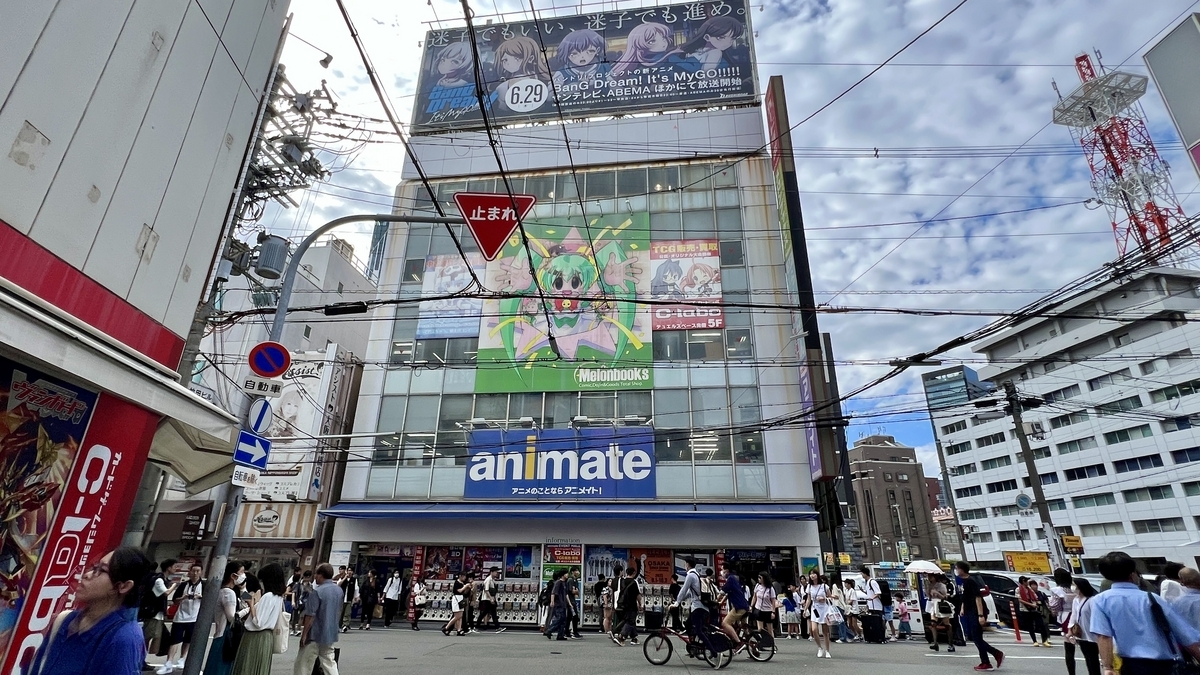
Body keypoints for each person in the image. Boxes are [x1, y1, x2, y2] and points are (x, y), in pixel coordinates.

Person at [27, 547, 156, 675]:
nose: (87, 575)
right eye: (94, 567)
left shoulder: (124, 637)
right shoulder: (64, 620)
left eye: (101, 570)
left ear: (124, 586)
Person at [1090, 551, 1200, 675]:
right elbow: (1183, 633)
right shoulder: (1152, 598)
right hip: (1166, 665)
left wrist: (1107, 667)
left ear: (1106, 576)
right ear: (1133, 574)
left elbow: (1104, 636)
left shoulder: (1100, 600)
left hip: (1132, 665)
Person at [232, 562, 285, 675]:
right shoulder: (278, 597)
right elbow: (256, 603)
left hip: (256, 637)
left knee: (247, 668)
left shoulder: (268, 596)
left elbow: (258, 621)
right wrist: (243, 590)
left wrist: (250, 605)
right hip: (266, 638)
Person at [955, 561, 1004, 672]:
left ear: (962, 569)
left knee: (976, 637)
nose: (956, 570)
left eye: (957, 568)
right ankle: (986, 661)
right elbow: (964, 597)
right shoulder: (963, 582)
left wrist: (980, 615)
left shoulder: (971, 581)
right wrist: (963, 608)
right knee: (974, 637)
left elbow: (978, 598)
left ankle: (994, 655)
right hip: (969, 611)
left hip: (976, 612)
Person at [295, 563, 342, 675]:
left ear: (321, 575)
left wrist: (304, 634)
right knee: (329, 662)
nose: (315, 576)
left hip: (315, 633)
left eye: (316, 573)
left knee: (304, 664)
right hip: (330, 632)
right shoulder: (338, 590)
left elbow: (310, 615)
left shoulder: (317, 591)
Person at [160, 563, 203, 674]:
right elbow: (175, 600)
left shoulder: (204, 585)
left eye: (198, 571)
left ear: (201, 572)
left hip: (195, 617)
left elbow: (209, 600)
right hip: (181, 616)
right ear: (190, 572)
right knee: (174, 639)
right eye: (193, 571)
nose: (195, 573)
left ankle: (182, 658)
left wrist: (200, 597)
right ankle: (168, 662)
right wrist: (183, 597)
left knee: (188, 640)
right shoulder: (184, 585)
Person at [204, 561, 245, 675]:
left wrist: (243, 590)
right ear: (233, 575)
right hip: (226, 634)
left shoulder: (231, 591)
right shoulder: (228, 593)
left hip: (222, 633)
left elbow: (249, 601)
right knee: (221, 667)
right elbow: (232, 617)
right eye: (241, 572)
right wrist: (247, 610)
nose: (243, 576)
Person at [138, 558, 176, 666]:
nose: (175, 569)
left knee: (152, 638)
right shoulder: (159, 580)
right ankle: (140, 661)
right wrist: (174, 585)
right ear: (168, 568)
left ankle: (142, 660)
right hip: (153, 615)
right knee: (147, 637)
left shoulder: (162, 579)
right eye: (174, 567)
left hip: (157, 615)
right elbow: (166, 593)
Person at [1068, 578, 1102, 675]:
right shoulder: (1076, 600)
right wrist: (1070, 630)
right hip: (1081, 634)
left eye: (1074, 585)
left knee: (1094, 659)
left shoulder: (1092, 600)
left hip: (1093, 634)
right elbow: (1073, 615)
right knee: (1089, 659)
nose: (1073, 587)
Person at [718, 562, 750, 651]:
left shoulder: (730, 579)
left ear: (727, 570)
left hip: (738, 607)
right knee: (742, 628)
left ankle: (738, 643)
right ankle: (753, 649)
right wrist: (720, 602)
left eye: (722, 569)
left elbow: (722, 592)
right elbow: (727, 594)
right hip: (744, 606)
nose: (721, 571)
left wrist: (715, 601)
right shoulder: (734, 578)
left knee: (725, 623)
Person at [807, 572, 835, 659]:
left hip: (824, 609)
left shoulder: (824, 586)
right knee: (814, 629)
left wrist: (824, 598)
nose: (812, 576)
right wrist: (805, 609)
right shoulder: (809, 586)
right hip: (815, 608)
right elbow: (809, 599)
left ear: (817, 575)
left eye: (814, 574)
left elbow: (830, 597)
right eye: (811, 574)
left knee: (825, 631)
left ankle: (827, 650)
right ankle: (820, 647)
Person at [927, 573, 956, 652]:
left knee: (947, 624)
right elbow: (929, 596)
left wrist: (937, 592)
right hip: (933, 605)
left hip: (940, 604)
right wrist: (929, 592)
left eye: (930, 576)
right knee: (933, 623)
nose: (929, 578)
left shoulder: (941, 585)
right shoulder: (929, 585)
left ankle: (950, 644)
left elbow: (944, 597)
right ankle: (935, 643)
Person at [616, 566, 642, 646]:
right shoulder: (633, 582)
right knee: (630, 621)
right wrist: (641, 604)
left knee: (630, 620)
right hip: (631, 605)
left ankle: (634, 638)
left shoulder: (622, 581)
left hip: (622, 604)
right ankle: (622, 636)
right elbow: (638, 595)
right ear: (634, 573)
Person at [545, 569, 571, 641]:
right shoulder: (558, 583)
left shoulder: (564, 583)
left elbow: (566, 595)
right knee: (559, 619)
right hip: (558, 604)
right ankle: (549, 630)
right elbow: (553, 592)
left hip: (563, 604)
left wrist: (569, 603)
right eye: (566, 574)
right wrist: (552, 601)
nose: (567, 575)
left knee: (563, 620)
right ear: (563, 575)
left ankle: (560, 635)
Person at [479, 567, 505, 632]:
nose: (497, 573)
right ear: (492, 572)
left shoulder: (492, 580)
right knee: (484, 613)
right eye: (496, 572)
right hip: (487, 599)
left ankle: (497, 627)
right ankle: (476, 626)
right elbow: (486, 590)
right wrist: (491, 599)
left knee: (492, 613)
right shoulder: (488, 579)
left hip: (490, 599)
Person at [443, 572, 469, 636]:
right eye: (464, 576)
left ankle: (459, 630)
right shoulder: (457, 582)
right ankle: (446, 627)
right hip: (457, 599)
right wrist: (465, 586)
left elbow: (464, 592)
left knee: (460, 616)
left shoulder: (463, 583)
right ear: (460, 576)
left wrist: (467, 587)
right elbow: (459, 591)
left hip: (461, 598)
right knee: (457, 616)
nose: (465, 578)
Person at [752, 572, 777, 638]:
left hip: (768, 610)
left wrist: (773, 612)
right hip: (759, 609)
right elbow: (754, 597)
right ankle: (762, 643)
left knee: (770, 629)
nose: (759, 579)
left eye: (760, 578)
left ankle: (772, 643)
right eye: (758, 577)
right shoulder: (757, 586)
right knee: (760, 629)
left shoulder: (770, 588)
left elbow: (773, 601)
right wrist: (751, 606)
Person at [291, 570, 312, 636]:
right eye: (307, 577)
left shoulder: (310, 585)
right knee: (295, 617)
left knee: (302, 617)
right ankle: (293, 629)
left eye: (309, 577)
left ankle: (298, 629)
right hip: (297, 602)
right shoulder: (298, 584)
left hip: (305, 603)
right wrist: (293, 601)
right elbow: (294, 593)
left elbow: (311, 594)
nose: (307, 579)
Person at [337, 568, 357, 633]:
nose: (349, 572)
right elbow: (338, 584)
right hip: (341, 599)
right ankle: (337, 626)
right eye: (348, 570)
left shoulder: (354, 580)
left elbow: (356, 589)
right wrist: (344, 578)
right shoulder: (342, 577)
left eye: (351, 570)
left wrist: (355, 598)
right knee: (340, 613)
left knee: (347, 613)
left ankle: (345, 625)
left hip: (349, 599)